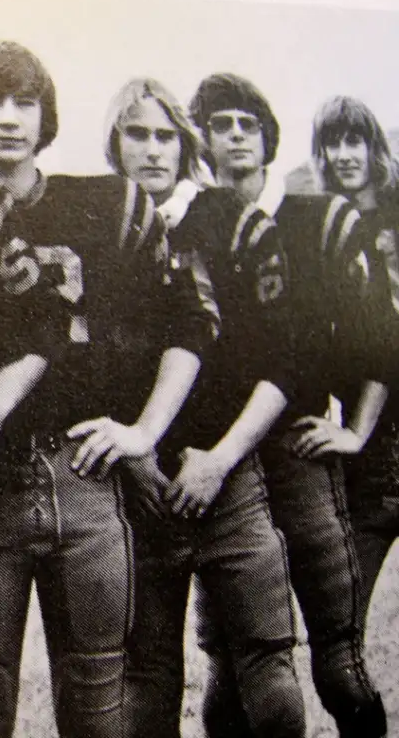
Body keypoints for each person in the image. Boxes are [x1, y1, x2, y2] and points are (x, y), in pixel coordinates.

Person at [0, 43, 214, 738]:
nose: (9, 119)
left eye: (26, 103)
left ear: (48, 115)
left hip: (81, 478)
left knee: (99, 705)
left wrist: (144, 431)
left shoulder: (104, 206)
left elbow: (192, 327)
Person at [103, 76, 311, 738]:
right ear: (115, 143)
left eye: (166, 135)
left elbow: (286, 362)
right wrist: (134, 460)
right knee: (145, 676)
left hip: (228, 475)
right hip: (139, 486)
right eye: (137, 134)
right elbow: (84, 365)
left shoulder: (235, 221)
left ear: (186, 145)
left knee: (269, 676)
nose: (153, 150)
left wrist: (221, 460)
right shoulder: (96, 224)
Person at [183, 75, 386, 738]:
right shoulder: (194, 221)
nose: (235, 135)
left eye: (247, 122)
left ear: (269, 137)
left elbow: (380, 335)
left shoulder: (316, 218)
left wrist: (354, 428)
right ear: (203, 140)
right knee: (232, 660)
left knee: (337, 660)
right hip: (229, 456)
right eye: (221, 124)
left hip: (296, 446)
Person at [312, 95, 399, 733]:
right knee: (339, 639)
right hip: (366, 457)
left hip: (380, 428)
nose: (345, 155)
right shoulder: (321, 226)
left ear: (375, 148)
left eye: (356, 141)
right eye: (333, 143)